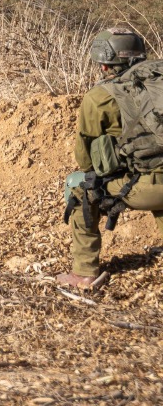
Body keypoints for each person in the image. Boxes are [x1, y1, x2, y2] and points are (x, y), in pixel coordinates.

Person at [59, 26, 162, 293]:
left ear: (105, 64)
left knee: (79, 188)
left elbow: (85, 159)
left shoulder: (100, 97)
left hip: (150, 188)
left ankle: (84, 273)